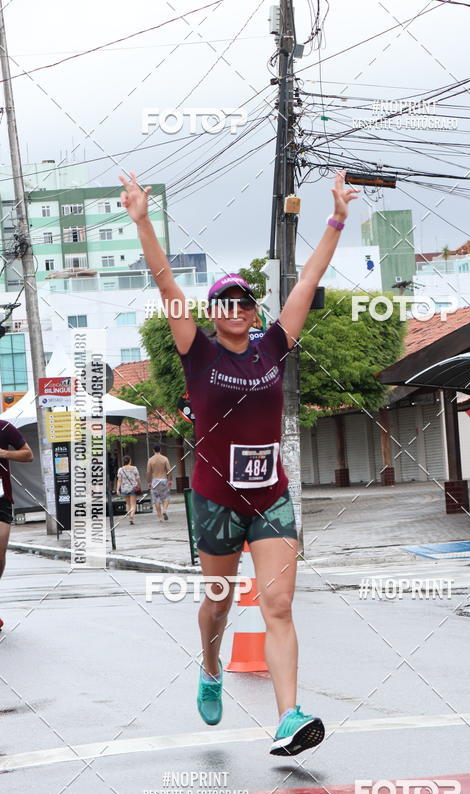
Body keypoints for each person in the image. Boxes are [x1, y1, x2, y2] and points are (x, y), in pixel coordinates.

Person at [119, 167, 359, 756]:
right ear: (213, 309)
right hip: (217, 499)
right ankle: (209, 664)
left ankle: (288, 718)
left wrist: (335, 219)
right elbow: (164, 281)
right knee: (218, 602)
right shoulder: (196, 351)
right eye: (223, 299)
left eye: (243, 300)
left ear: (253, 313)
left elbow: (308, 279)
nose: (233, 306)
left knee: (277, 604)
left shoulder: (274, 346)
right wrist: (144, 221)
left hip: (271, 495)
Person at [0, 420, 34, 631]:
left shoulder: (4, 428)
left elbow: (28, 454)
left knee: (0, 552)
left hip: (2, 499)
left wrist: (4, 453)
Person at [147, 444, 172, 521]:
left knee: (156, 498)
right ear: (160, 450)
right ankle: (164, 510)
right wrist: (170, 480)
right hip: (163, 479)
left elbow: (148, 472)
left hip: (155, 480)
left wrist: (149, 481)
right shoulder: (165, 459)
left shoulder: (150, 460)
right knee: (166, 497)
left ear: (153, 450)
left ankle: (160, 517)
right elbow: (169, 470)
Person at [116, 455, 141, 524]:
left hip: (124, 489)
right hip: (133, 488)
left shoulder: (120, 470)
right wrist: (139, 485)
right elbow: (138, 478)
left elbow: (119, 480)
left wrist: (118, 489)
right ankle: (132, 516)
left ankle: (129, 517)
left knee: (128, 504)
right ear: (130, 461)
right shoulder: (134, 468)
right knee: (133, 504)